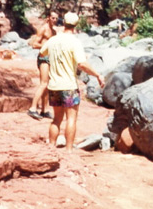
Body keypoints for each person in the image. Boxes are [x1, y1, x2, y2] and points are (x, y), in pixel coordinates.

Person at [40, 11, 105, 148]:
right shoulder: (75, 42)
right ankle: (69, 151)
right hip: (69, 86)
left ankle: (51, 148)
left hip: (54, 85)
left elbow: (42, 52)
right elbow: (82, 64)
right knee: (71, 119)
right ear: (75, 25)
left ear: (63, 23)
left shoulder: (53, 39)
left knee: (56, 119)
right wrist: (97, 75)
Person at [27, 9, 59, 119]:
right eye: (53, 18)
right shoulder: (43, 29)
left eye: (56, 18)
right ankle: (32, 108)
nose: (54, 20)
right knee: (43, 83)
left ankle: (44, 110)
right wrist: (47, 46)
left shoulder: (54, 32)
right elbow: (34, 44)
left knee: (48, 86)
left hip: (50, 59)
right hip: (43, 58)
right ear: (48, 18)